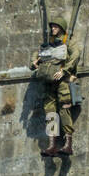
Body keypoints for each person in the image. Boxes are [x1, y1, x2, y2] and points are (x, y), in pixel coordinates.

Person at [30, 18, 81, 157]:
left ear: (61, 28)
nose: (52, 29)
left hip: (63, 82)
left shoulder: (68, 43)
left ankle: (68, 144)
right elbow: (38, 53)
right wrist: (34, 62)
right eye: (52, 26)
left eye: (55, 27)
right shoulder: (49, 44)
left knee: (65, 110)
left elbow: (76, 54)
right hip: (49, 82)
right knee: (50, 112)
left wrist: (65, 70)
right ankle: (52, 145)